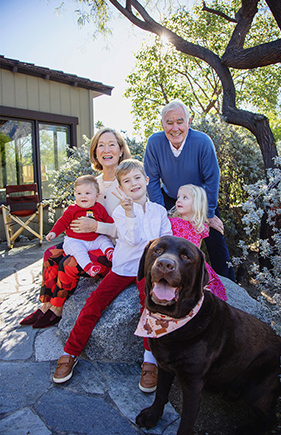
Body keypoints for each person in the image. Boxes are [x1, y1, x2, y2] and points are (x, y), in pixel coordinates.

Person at [53, 160, 171, 394]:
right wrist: (129, 213)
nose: (133, 183)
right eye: (126, 181)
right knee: (94, 303)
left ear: (146, 181)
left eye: (137, 178)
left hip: (147, 270)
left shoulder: (159, 210)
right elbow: (133, 240)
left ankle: (150, 361)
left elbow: (165, 238)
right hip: (123, 267)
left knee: (150, 307)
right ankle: (70, 352)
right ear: (121, 188)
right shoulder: (120, 211)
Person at [20, 128, 128, 329]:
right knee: (51, 254)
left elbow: (131, 227)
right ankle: (45, 305)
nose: (106, 149)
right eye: (100, 145)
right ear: (95, 152)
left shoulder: (127, 183)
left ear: (121, 150)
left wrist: (97, 225)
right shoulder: (91, 183)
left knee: (69, 263)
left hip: (111, 246)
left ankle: (57, 309)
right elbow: (77, 210)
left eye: (112, 144)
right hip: (85, 240)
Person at [144, 99, 234, 280]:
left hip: (200, 200)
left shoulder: (202, 142)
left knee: (214, 236)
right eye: (169, 123)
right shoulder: (154, 143)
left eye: (180, 122)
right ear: (162, 124)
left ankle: (229, 284)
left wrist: (207, 214)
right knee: (166, 237)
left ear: (188, 122)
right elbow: (152, 180)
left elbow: (212, 178)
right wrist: (161, 213)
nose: (175, 128)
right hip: (170, 198)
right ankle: (162, 278)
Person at [45, 175, 115, 278]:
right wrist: (54, 232)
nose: (83, 196)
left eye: (87, 193)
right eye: (79, 193)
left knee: (104, 240)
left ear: (97, 196)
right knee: (78, 251)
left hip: (94, 239)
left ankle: (110, 252)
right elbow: (62, 222)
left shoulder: (99, 208)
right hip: (75, 240)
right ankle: (89, 267)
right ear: (75, 195)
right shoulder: (72, 210)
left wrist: (117, 224)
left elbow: (108, 221)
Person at [168, 184, 227, 300]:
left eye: (185, 197)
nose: (179, 200)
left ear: (196, 203)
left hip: (190, 262)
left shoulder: (201, 227)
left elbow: (197, 249)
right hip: (175, 259)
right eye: (178, 197)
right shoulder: (171, 222)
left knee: (206, 286)